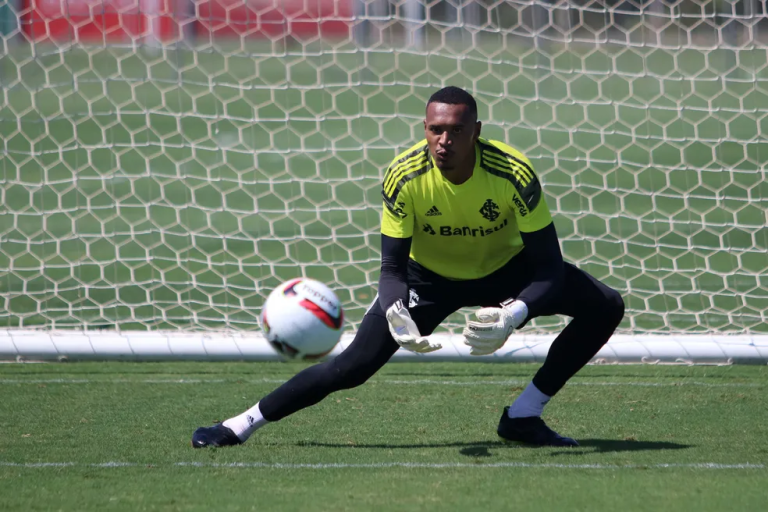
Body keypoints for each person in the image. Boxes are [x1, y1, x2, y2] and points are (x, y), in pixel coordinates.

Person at [192, 86, 624, 448]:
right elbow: (392, 269)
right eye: (436, 130)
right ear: (425, 130)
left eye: (456, 131)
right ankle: (240, 425)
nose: (444, 142)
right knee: (353, 367)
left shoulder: (513, 173)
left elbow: (548, 270)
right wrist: (397, 313)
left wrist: (514, 314)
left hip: (507, 272)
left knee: (606, 306)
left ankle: (524, 415)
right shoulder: (404, 176)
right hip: (427, 280)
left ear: (476, 132)